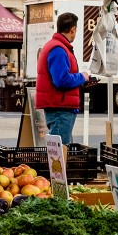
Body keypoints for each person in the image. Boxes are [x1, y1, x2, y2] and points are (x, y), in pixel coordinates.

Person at [36, 12, 90, 145]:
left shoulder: (55, 46)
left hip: (58, 105)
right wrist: (82, 77)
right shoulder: (59, 49)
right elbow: (61, 80)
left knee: (60, 150)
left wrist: (80, 82)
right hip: (60, 106)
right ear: (73, 29)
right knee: (60, 152)